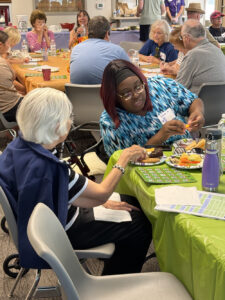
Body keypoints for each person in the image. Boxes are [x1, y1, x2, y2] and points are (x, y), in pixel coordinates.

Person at [0, 87, 152, 273]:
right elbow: (102, 194)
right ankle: (114, 282)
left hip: (37, 221)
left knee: (129, 203)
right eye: (68, 118)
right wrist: (124, 159)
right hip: (61, 232)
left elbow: (75, 194)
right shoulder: (49, 167)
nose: (71, 122)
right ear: (58, 127)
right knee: (141, 225)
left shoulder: (18, 146)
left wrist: (98, 202)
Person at [99, 59, 204, 157]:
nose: (136, 95)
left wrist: (197, 112)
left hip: (188, 156)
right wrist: (161, 136)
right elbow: (123, 165)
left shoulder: (160, 86)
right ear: (114, 97)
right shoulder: (110, 123)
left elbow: (193, 101)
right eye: (127, 94)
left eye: (138, 87)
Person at [70, 16, 129, 84]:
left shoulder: (76, 49)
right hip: (106, 94)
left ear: (88, 32)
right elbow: (132, 73)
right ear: (107, 34)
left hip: (77, 93)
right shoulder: (117, 50)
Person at [176, 19, 225, 95]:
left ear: (187, 38)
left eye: (181, 37)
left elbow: (178, 88)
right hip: (221, 105)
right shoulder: (219, 51)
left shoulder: (192, 55)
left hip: (198, 104)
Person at [0, 31, 23, 122]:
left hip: (5, 107)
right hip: (9, 109)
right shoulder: (2, 63)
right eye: (8, 43)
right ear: (1, 45)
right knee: (44, 103)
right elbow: (13, 78)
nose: (9, 46)